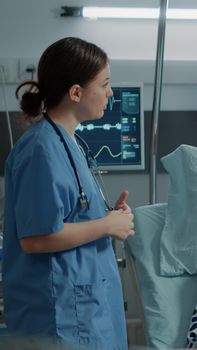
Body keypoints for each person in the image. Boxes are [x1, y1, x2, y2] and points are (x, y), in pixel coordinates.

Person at [2, 37, 135, 350]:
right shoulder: (41, 150)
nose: (110, 93)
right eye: (104, 84)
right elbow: (35, 238)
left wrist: (109, 218)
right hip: (61, 315)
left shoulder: (69, 143)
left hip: (86, 308)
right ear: (76, 92)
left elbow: (69, 215)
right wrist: (106, 226)